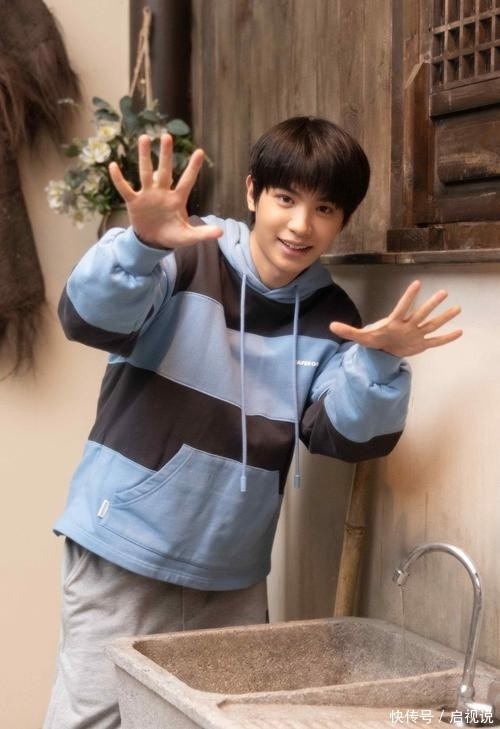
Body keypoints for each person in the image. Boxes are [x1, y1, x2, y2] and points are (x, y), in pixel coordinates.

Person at [44, 116, 462, 728]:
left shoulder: (330, 315)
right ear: (252, 193)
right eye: (285, 199)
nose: (300, 225)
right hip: (124, 548)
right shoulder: (186, 255)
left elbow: (345, 437)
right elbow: (87, 319)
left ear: (343, 220)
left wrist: (380, 361)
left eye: (324, 208)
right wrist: (141, 245)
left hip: (231, 571)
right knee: (93, 720)